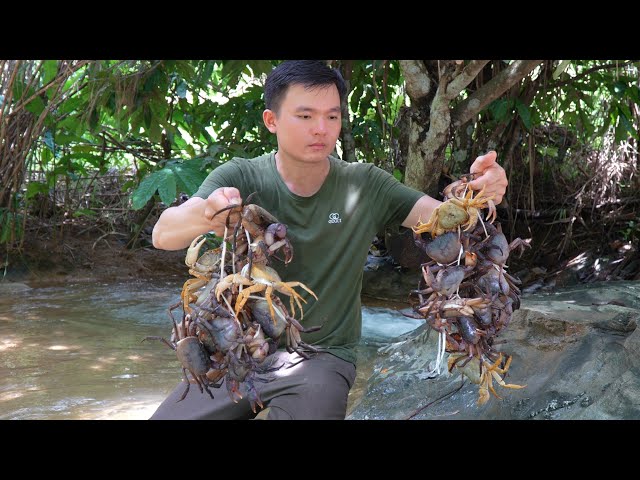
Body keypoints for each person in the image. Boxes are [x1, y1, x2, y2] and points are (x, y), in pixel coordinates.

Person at [149, 60, 508, 420]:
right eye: (305, 116)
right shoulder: (240, 175)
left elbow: (449, 221)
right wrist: (207, 213)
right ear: (271, 121)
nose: (321, 129)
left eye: (332, 117)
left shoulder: (365, 184)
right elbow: (164, 234)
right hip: (238, 352)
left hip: (324, 357)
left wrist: (482, 191)